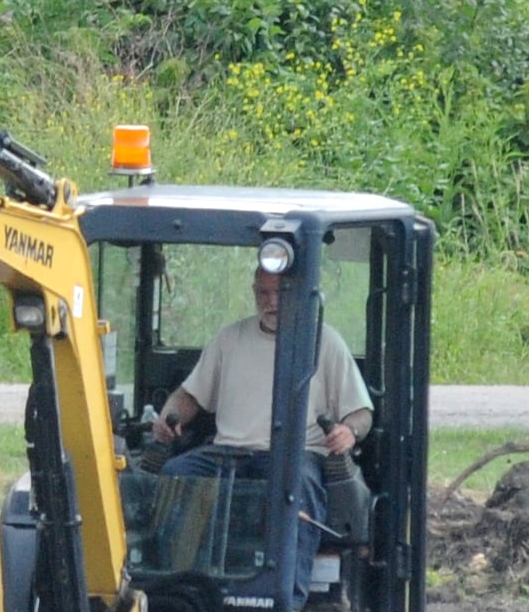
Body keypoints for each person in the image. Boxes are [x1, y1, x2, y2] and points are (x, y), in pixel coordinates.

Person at [139, 250, 374, 586]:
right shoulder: (229, 339)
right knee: (177, 474)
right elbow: (189, 395)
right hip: (227, 451)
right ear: (254, 293)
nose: (272, 301)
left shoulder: (326, 343)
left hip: (296, 453)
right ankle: (177, 586)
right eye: (263, 292)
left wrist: (348, 431)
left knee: (301, 485)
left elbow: (361, 412)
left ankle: (287, 599)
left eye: (280, 292)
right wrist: (168, 417)